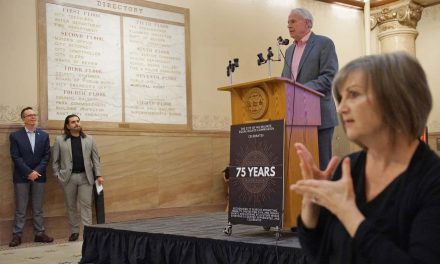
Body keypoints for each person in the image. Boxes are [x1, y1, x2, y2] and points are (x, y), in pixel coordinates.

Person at [290, 51, 440, 263]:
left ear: (395, 98)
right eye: (341, 98)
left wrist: (349, 214)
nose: (341, 108)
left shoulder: (432, 181)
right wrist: (312, 206)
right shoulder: (349, 168)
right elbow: (320, 255)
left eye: (353, 94)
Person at [281, 8, 339, 170]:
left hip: (319, 115)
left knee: (321, 165)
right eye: (288, 22)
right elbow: (286, 81)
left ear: (307, 23)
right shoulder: (289, 50)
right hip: (295, 119)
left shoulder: (324, 44)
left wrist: (300, 90)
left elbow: (329, 77)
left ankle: (324, 196)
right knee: (299, 166)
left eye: (293, 21)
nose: (289, 26)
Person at [52, 114, 104, 241]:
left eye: (78, 121)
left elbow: (95, 159)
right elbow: (55, 161)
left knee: (86, 205)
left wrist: (98, 175)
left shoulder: (89, 139)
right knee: (71, 206)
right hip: (68, 178)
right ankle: (74, 231)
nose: (77, 124)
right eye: (73, 122)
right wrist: (58, 175)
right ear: (68, 126)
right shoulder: (60, 140)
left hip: (86, 178)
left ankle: (88, 232)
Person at [9, 107, 53, 247]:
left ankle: (39, 233)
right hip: (21, 176)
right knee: (21, 208)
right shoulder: (16, 136)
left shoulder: (44, 135)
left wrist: (36, 171)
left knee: (38, 207)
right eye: (29, 115)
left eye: (34, 115)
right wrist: (28, 172)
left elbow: (46, 156)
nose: (33, 117)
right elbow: (15, 156)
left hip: (39, 176)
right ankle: (17, 235)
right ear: (23, 119)